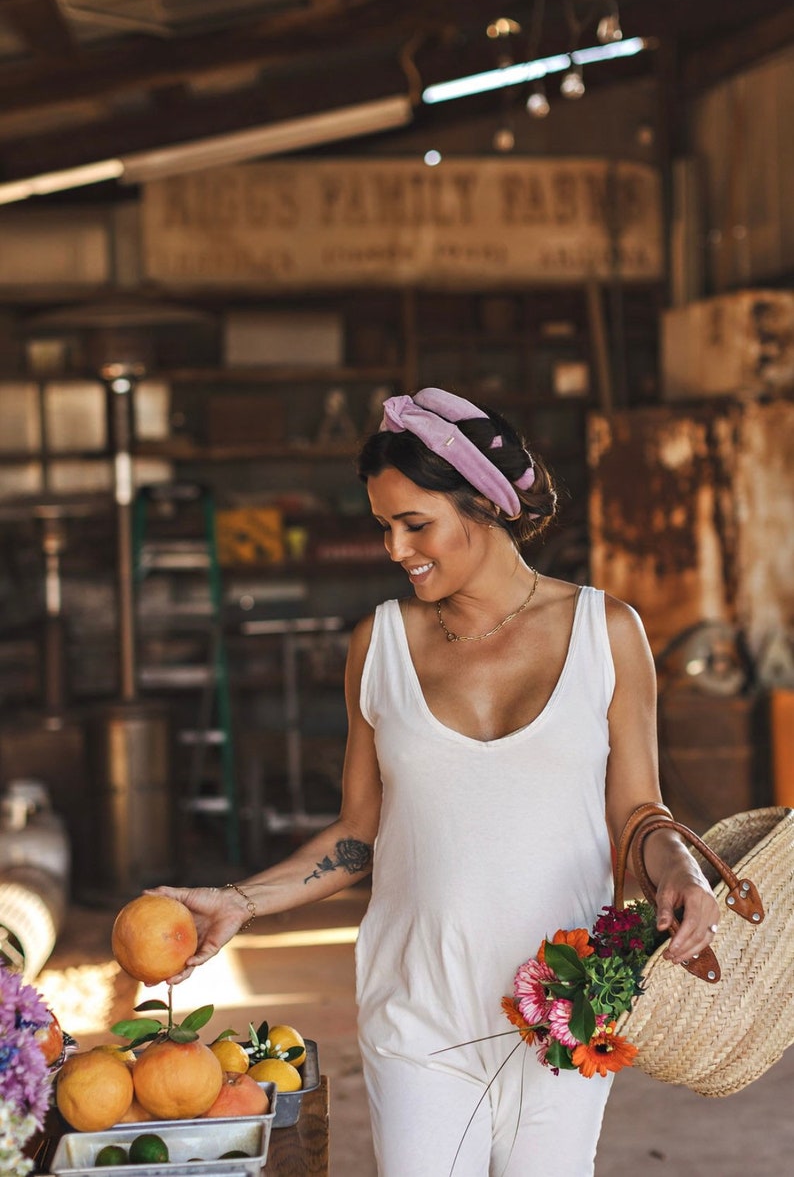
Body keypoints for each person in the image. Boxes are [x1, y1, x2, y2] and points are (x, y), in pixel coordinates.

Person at [151, 387, 720, 1176]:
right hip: (418, 1014)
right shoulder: (379, 644)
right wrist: (240, 901)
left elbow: (635, 810)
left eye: (415, 523)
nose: (395, 548)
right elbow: (359, 833)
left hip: (565, 1009)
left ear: (484, 504)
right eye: (384, 525)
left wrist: (680, 865)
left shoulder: (605, 633)